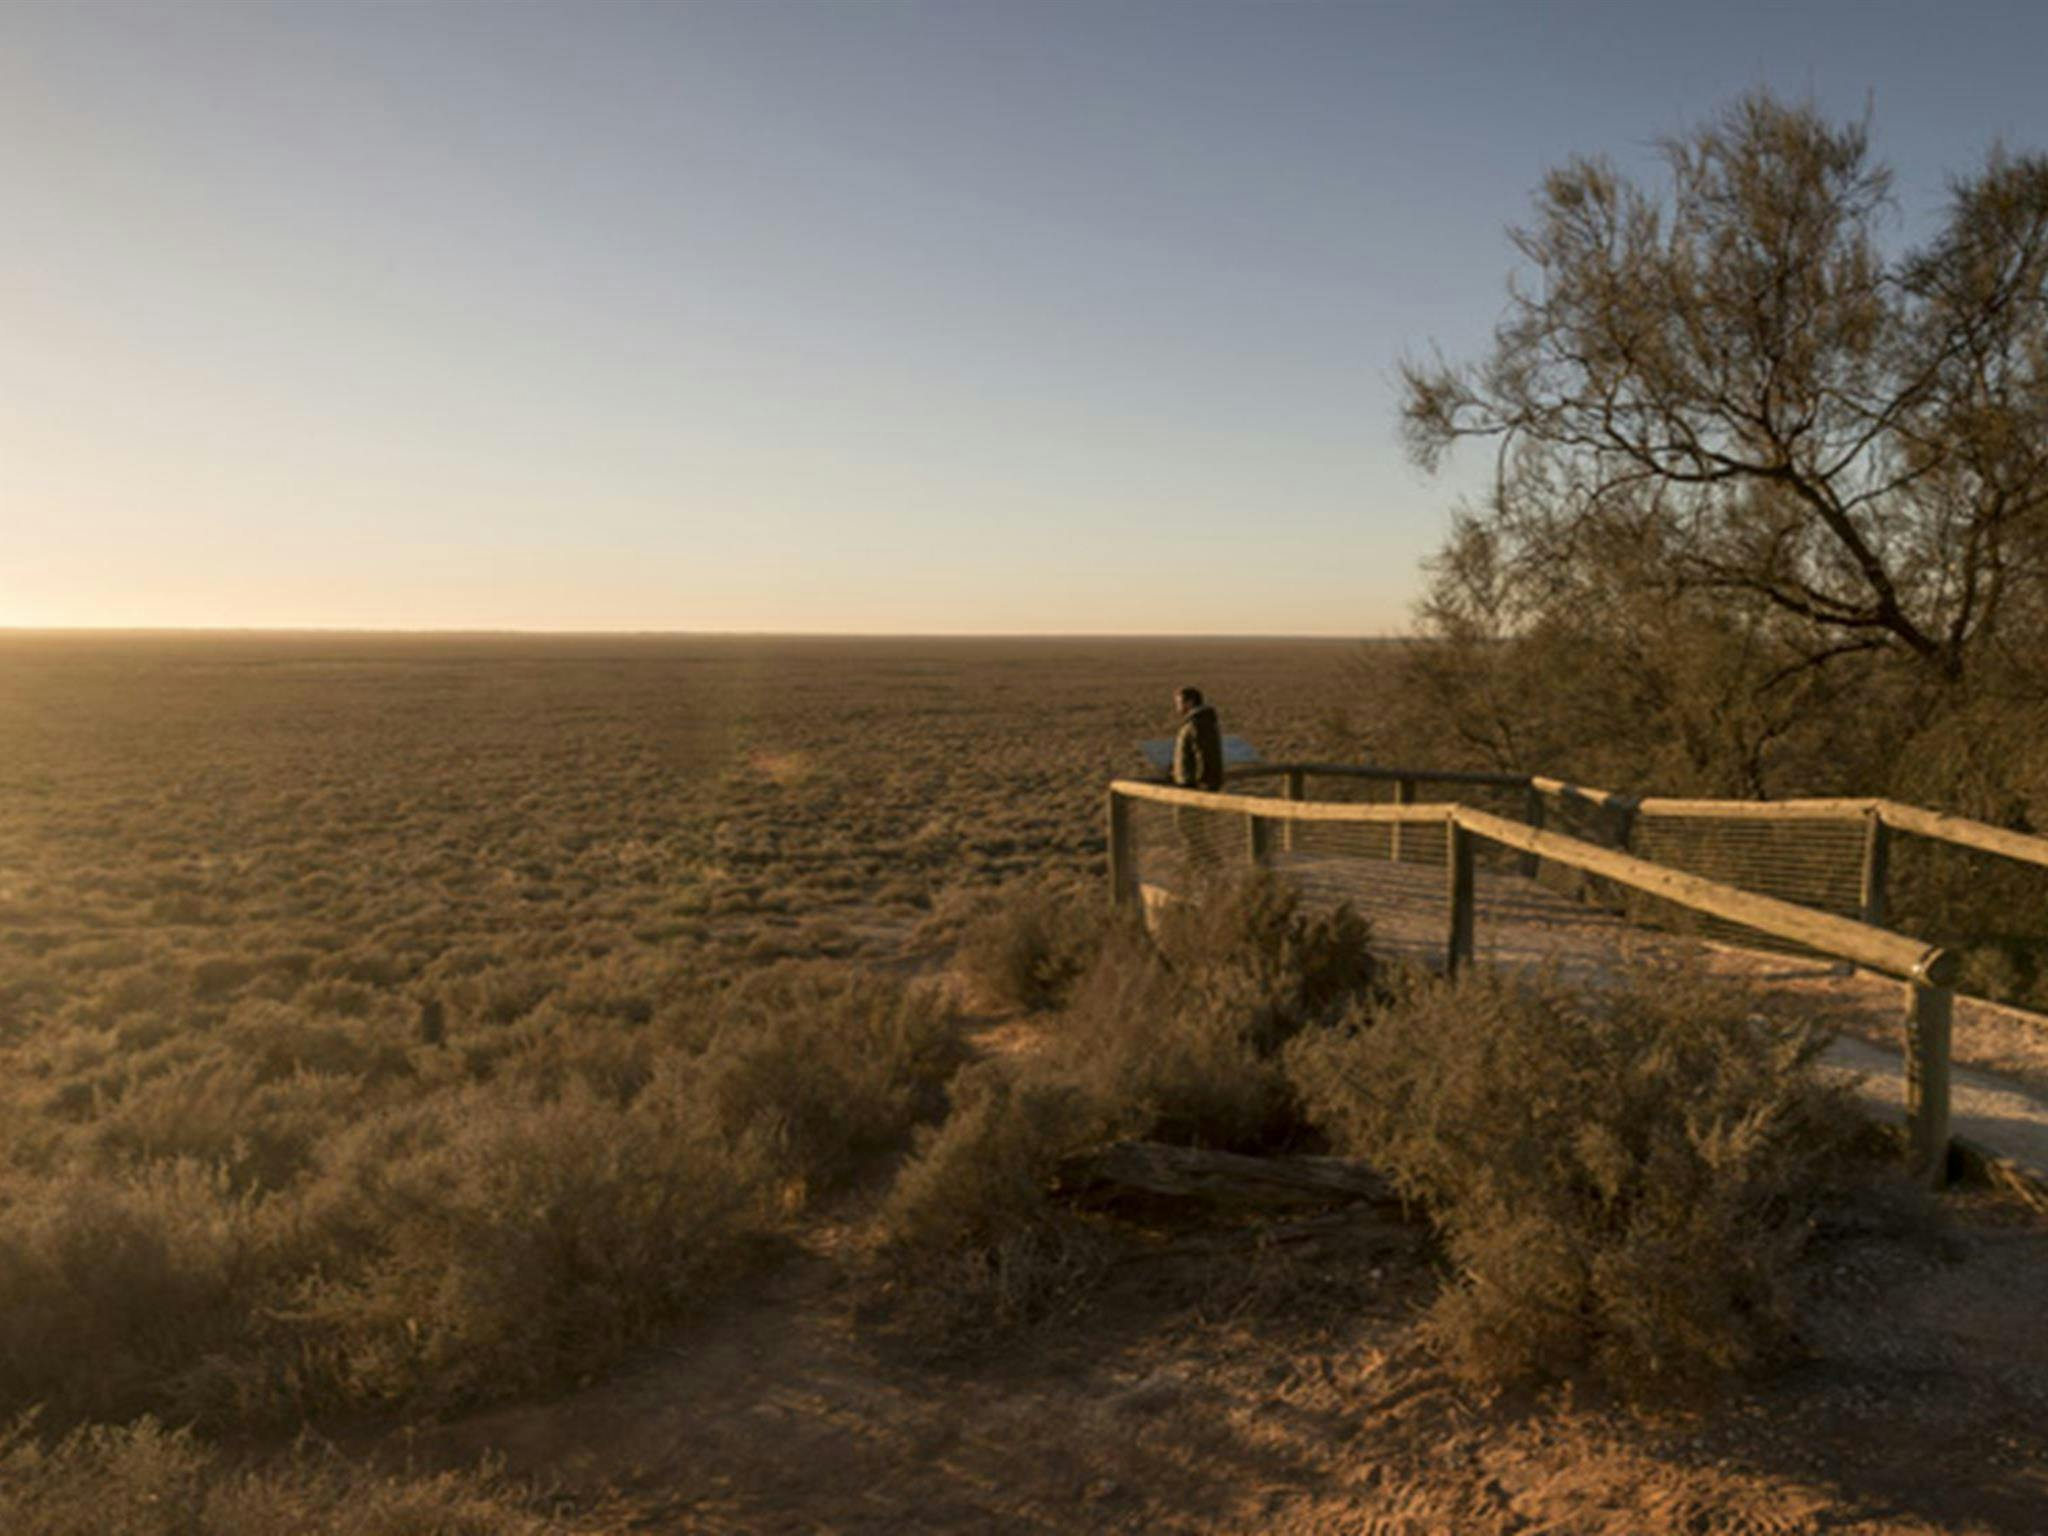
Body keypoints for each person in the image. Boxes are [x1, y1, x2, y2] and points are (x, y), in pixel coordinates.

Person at [1170, 686, 1226, 791]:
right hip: (1189, 781)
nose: (1177, 707)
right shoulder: (1194, 723)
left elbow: (1204, 754)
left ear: (1190, 702)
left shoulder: (1198, 724)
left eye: (1179, 703)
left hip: (1195, 784)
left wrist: (1203, 781)